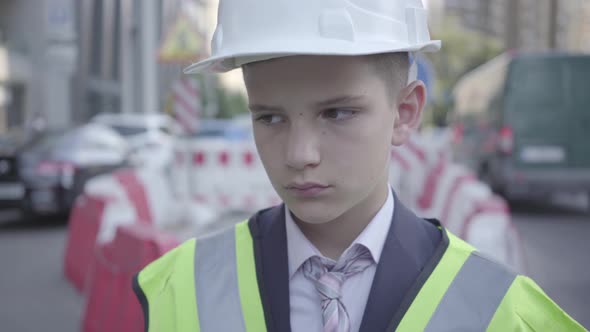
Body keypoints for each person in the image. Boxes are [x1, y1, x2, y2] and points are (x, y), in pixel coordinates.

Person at [132, 0, 585, 331]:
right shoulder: (180, 288)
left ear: (404, 113)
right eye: (270, 117)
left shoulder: (504, 313)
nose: (299, 154)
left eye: (337, 113)